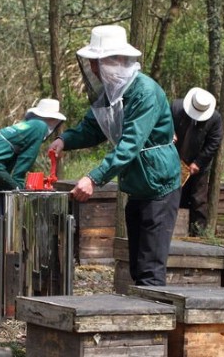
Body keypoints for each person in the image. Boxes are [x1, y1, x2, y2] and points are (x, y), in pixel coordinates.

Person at [48, 25, 181, 286]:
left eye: (97, 63)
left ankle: (154, 325)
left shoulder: (145, 92)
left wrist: (93, 178)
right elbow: (93, 127)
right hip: (137, 185)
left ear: (117, 61)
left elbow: (130, 144)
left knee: (150, 270)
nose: (93, 69)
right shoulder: (111, 92)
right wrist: (64, 140)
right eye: (92, 64)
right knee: (137, 266)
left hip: (159, 187)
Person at [0, 98, 66, 215]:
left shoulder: (29, 125)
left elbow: (11, 155)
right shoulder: (40, 126)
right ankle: (10, 229)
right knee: (15, 192)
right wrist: (18, 185)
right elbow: (27, 158)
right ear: (52, 119)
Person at [171, 87, 223, 236]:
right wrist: (169, 133)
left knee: (198, 199)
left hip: (198, 164)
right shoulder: (175, 107)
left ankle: (198, 234)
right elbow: (163, 122)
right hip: (172, 159)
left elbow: (213, 143)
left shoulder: (215, 119)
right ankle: (171, 231)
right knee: (171, 195)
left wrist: (198, 163)